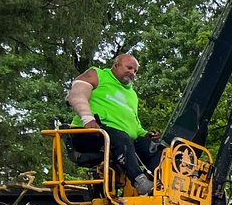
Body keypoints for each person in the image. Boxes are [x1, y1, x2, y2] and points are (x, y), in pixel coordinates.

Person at [67, 50, 162, 195]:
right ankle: (139, 181)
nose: (132, 73)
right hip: (90, 133)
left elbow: (134, 124)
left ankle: (156, 181)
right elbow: (77, 93)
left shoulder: (132, 95)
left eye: (135, 71)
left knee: (157, 148)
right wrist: (87, 118)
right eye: (129, 68)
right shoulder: (98, 74)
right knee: (121, 137)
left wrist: (146, 134)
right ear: (116, 65)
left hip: (121, 140)